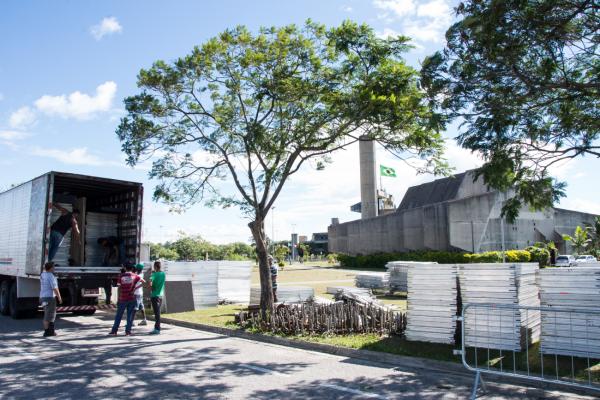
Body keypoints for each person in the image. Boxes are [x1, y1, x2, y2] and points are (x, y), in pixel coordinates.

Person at [109, 264, 144, 336]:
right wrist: (135, 288)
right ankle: (128, 332)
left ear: (125, 268)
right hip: (131, 298)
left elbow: (119, 287)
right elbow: (144, 282)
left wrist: (119, 297)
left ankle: (114, 331)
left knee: (119, 315)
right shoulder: (135, 276)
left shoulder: (121, 276)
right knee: (130, 316)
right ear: (132, 268)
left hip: (123, 298)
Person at [39, 262, 62, 337]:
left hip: (43, 297)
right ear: (51, 268)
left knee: (47, 314)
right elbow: (55, 288)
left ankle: (50, 331)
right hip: (50, 297)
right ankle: (47, 332)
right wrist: (59, 297)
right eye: (53, 267)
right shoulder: (51, 276)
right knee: (50, 315)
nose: (54, 268)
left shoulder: (43, 275)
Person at [149, 260, 166, 335]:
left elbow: (150, 283)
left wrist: (151, 287)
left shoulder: (154, 275)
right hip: (160, 295)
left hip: (154, 295)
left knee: (157, 313)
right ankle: (157, 327)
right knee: (157, 312)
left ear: (155, 266)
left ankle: (157, 328)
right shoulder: (163, 274)